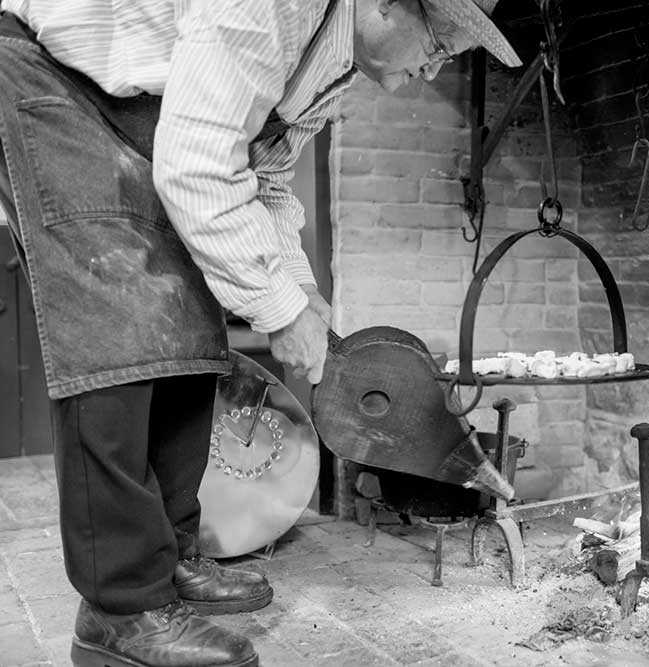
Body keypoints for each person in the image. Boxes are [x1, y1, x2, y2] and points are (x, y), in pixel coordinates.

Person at [0, 0, 521, 665]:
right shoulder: (281, 4)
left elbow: (264, 175)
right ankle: (121, 610)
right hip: (57, 79)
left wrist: (298, 291)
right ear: (388, 5)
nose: (436, 66)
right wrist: (279, 309)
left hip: (145, 109)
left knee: (193, 319)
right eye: (440, 44)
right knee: (120, 323)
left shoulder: (332, 65)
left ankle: (170, 555)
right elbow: (196, 168)